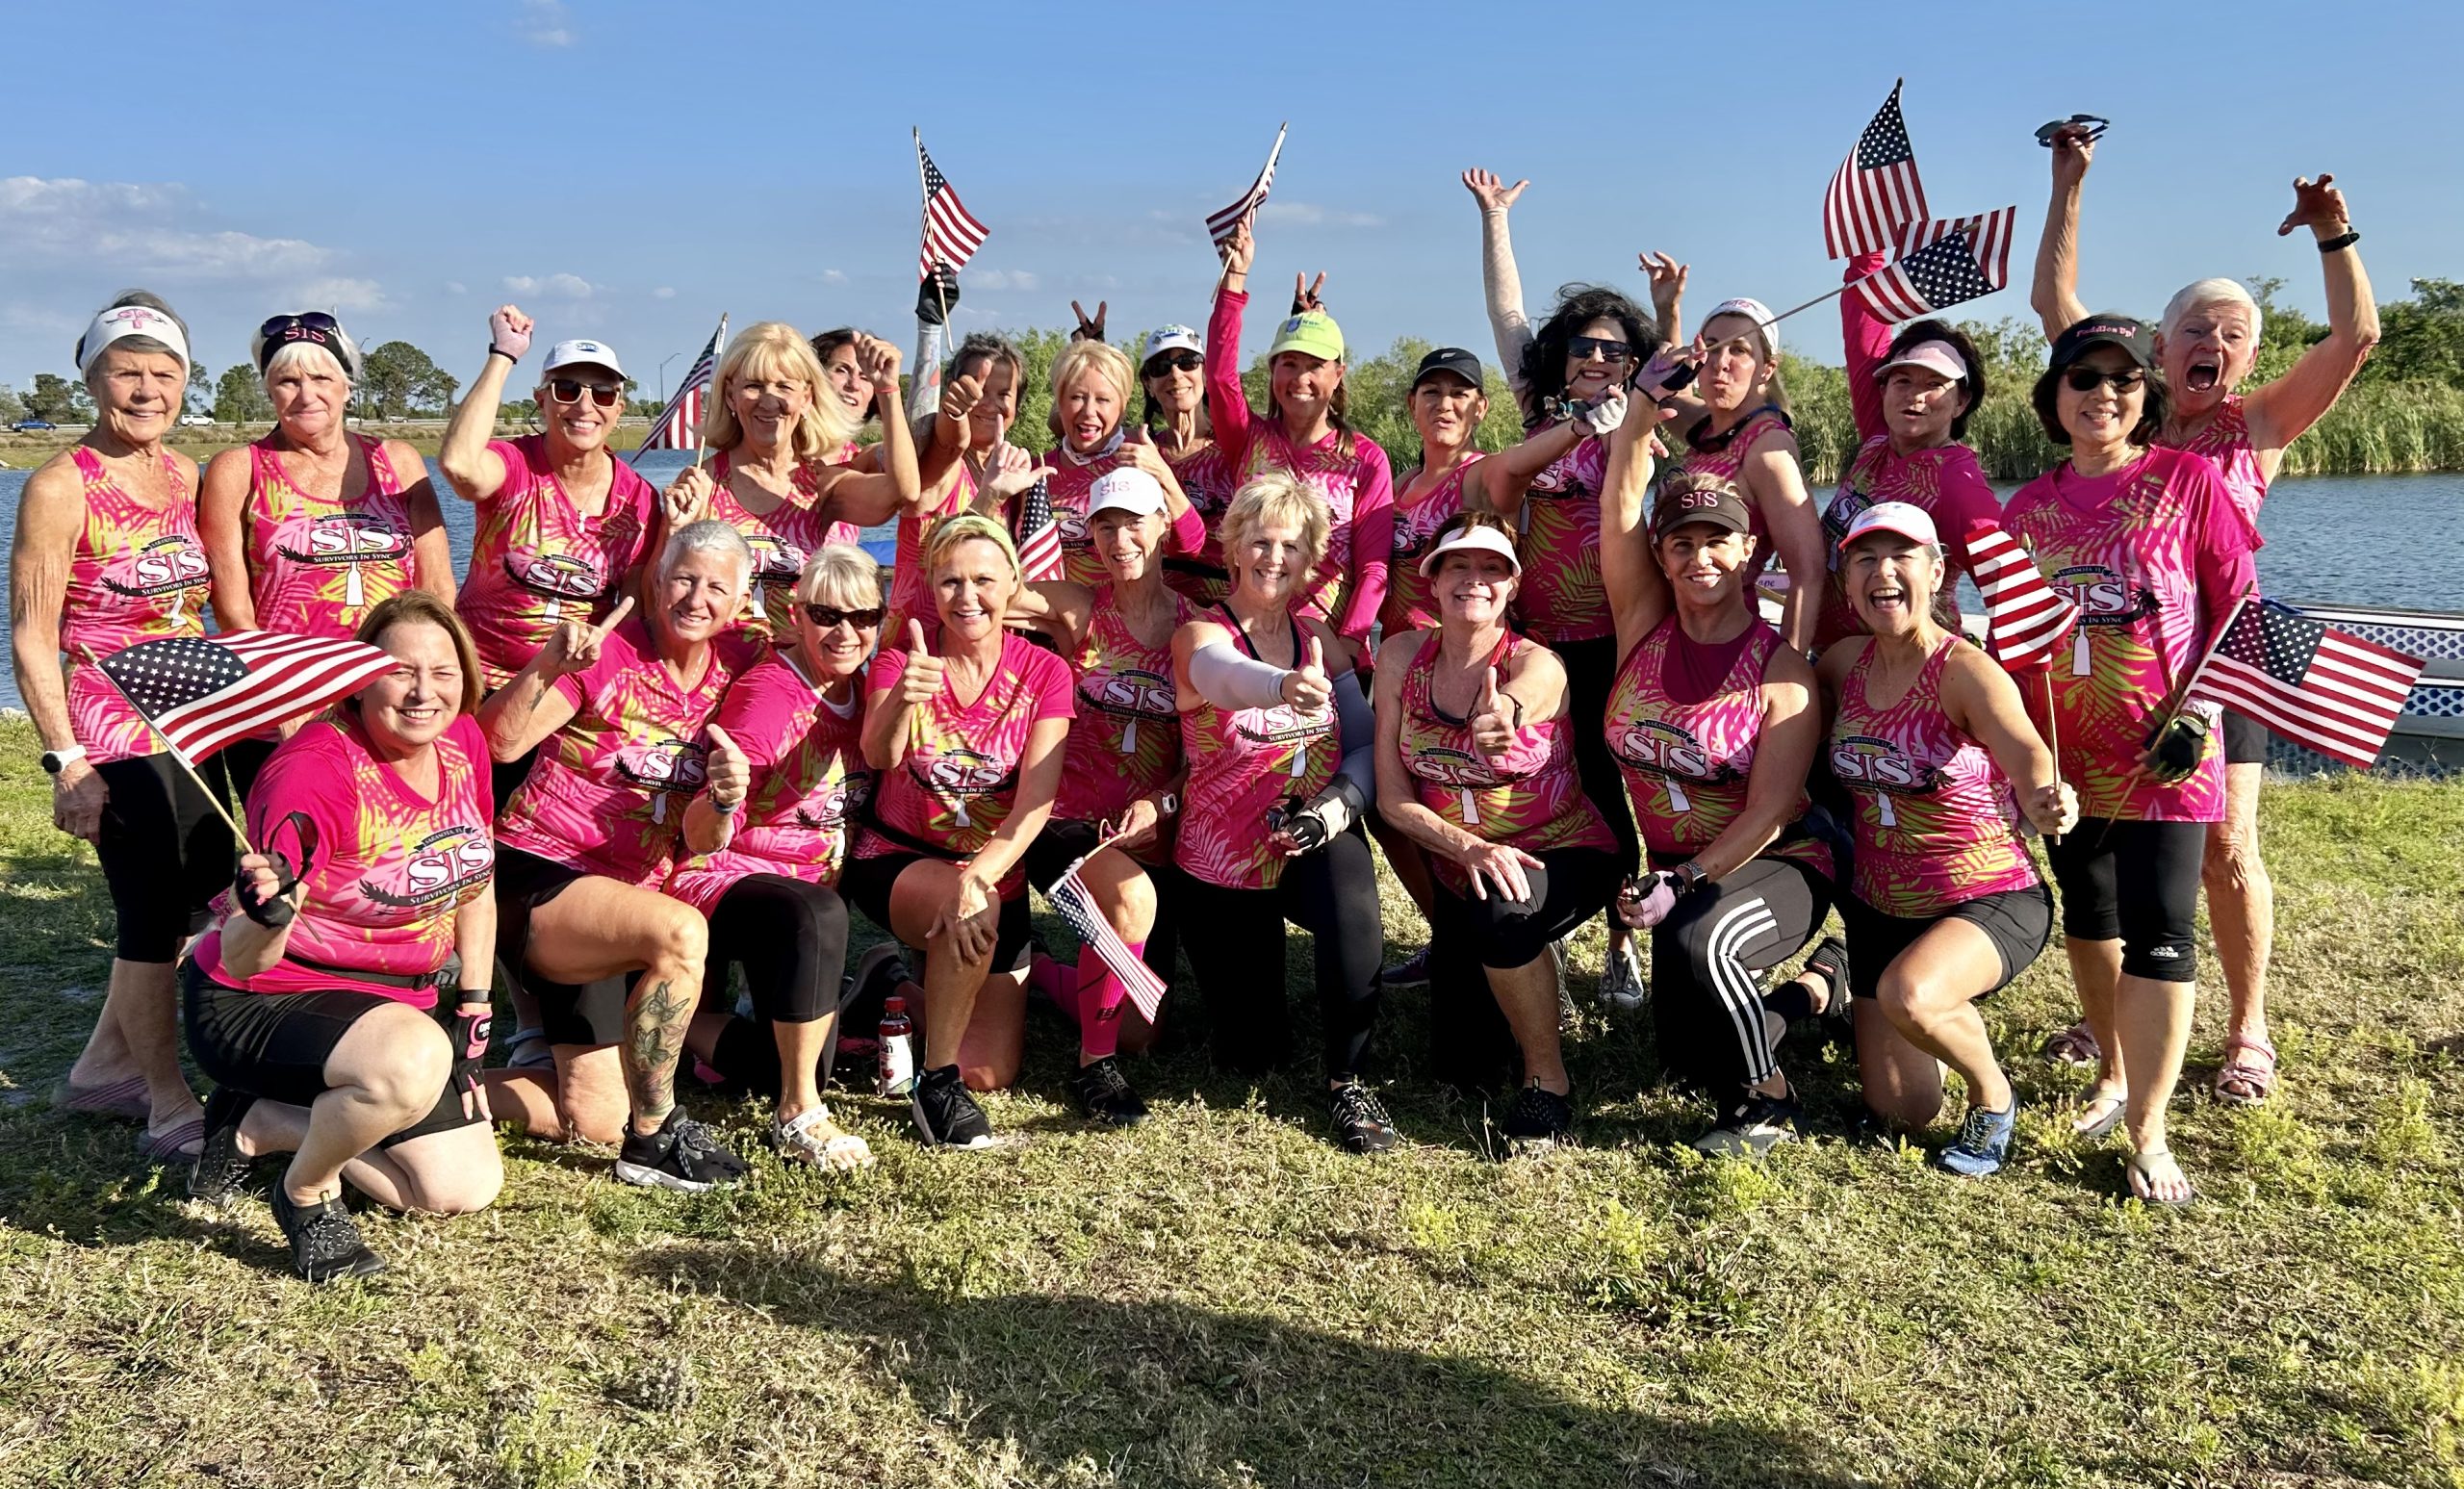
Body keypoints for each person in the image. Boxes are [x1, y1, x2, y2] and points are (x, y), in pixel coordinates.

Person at [2032, 135, 2380, 1109]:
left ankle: (2246, 1029)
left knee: (2226, 843)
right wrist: (2066, 186)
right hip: (2111, 660)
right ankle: (2117, 1011)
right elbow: (2054, 307)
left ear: (2251, 357)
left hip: (2225, 658)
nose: (2214, 348)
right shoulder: (2123, 409)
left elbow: (2353, 340)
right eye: (2198, 330)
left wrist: (2333, 234)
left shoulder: (2257, 423)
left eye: (2233, 336)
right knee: (2100, 835)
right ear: (2158, 343)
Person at [2004, 315, 2259, 1205]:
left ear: (2145, 396)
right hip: (2065, 759)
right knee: (2091, 913)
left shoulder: (2187, 481)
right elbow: (2010, 643)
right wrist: (2022, 757)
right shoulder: (2025, 510)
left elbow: (2240, 607)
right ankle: (2113, 1071)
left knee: (2161, 932)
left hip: (2168, 757)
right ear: (2055, 397)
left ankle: (2150, 1129)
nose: (2102, 393)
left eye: (2122, 379)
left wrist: (2200, 709)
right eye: (2083, 377)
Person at [181, 594, 502, 1280]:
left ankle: (261, 1122)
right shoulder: (313, 773)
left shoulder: (462, 739)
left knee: (458, 1189)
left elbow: (477, 878)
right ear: (360, 677)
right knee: (410, 1061)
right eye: (400, 671)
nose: (425, 692)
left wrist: (473, 1006)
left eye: (444, 672)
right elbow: (243, 955)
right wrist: (265, 914)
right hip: (261, 996)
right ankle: (302, 1194)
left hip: (391, 1006)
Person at [477, 519, 763, 1190]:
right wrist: (547, 664)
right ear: (657, 582)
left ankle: (424, 1092)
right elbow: (499, 745)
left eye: (716, 586)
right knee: (681, 931)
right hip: (541, 872)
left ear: (741, 600)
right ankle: (656, 1137)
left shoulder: (739, 670)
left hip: (621, 897)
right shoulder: (610, 650)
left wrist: (724, 801)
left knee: (594, 1115)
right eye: (684, 578)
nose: (697, 597)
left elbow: (700, 839)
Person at [1464, 171, 1683, 1008]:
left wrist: (1664, 317)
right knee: (1564, 784)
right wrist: (1495, 220)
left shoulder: (1644, 418)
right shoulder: (1538, 414)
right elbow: (1507, 316)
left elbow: (1674, 372)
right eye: (1583, 348)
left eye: (1612, 351)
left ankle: (1630, 938)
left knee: (1633, 785)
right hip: (1545, 642)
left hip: (1626, 642)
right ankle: (1542, 920)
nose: (1596, 360)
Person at [12, 291, 221, 1159]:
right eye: (126, 372)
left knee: (201, 900)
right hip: (112, 723)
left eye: (163, 374)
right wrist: (67, 761)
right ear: (93, 378)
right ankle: (166, 1098)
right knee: (148, 914)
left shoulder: (185, 474)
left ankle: (102, 1067)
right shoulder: (61, 486)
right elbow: (31, 632)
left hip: (192, 717)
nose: (145, 390)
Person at [1598, 419, 1840, 1158]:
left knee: (1709, 941)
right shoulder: (1641, 624)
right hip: (1681, 876)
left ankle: (1767, 1099)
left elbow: (1769, 812)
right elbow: (1617, 507)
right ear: (1661, 558)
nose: (1699, 557)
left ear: (1747, 553)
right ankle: (1824, 982)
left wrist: (1684, 878)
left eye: (1717, 541)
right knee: (1682, 1054)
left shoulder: (1782, 671)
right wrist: (1637, 419)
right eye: (1681, 543)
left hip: (1779, 861)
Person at [1817, 503, 2077, 1175]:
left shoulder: (1965, 670)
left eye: (1903, 556)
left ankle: (1993, 1095)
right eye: (1865, 559)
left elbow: (2028, 754)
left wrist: (2047, 798)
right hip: (1879, 906)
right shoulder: (1842, 664)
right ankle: (1837, 974)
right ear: (1847, 583)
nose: (1884, 572)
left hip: (1986, 896)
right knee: (1902, 1110)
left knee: (1913, 994)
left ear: (1936, 572)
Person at [1373, 516, 1619, 1144]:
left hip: (1563, 850)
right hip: (1469, 864)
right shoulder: (1402, 656)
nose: (1473, 580)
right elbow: (1394, 799)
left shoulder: (1540, 664)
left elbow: (1536, 692)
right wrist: (1469, 845)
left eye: (1491, 568)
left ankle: (1549, 1084)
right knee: (1465, 1068)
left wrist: (1504, 710)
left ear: (1512, 584)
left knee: (1507, 912)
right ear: (1431, 579)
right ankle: (1528, 974)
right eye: (1458, 565)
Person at [1172, 473, 1395, 1154]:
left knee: (1350, 885)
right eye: (1262, 541)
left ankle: (1347, 1077)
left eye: (1292, 546)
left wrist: (1332, 811)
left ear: (1310, 560)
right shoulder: (1200, 632)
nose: (1275, 557)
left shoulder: (1320, 638)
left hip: (1305, 832)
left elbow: (1360, 745)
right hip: (1221, 858)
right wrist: (1281, 686)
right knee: (1250, 1056)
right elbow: (1220, 676)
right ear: (1233, 546)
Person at [849, 515, 1075, 1149]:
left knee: (993, 1070)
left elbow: (1036, 800)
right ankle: (935, 1083)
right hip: (897, 856)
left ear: (1012, 583)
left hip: (988, 869)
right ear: (930, 586)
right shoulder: (903, 660)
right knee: (962, 909)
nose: (967, 597)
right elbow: (879, 754)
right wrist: (902, 699)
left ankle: (891, 987)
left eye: (982, 580)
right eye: (950, 581)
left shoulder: (1044, 672)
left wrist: (978, 874)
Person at [664, 545, 886, 1168]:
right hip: (727, 879)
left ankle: (676, 1033)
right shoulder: (770, 694)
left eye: (863, 617)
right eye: (827, 615)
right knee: (817, 914)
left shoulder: (867, 691)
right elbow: (702, 831)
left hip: (801, 900)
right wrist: (725, 796)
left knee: (783, 1061)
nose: (846, 632)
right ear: (797, 613)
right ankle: (798, 1115)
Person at [201, 310, 453, 803]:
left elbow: (438, 589)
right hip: (284, 700)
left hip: (394, 696)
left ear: (346, 385)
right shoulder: (239, 469)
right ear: (268, 389)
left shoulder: (398, 461)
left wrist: (429, 681)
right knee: (295, 858)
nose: (306, 394)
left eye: (320, 377)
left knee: (391, 848)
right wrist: (283, 700)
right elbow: (233, 611)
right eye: (287, 380)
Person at [1008, 468, 1195, 1124]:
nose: (1120, 537)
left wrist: (1162, 804)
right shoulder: (1078, 608)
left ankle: (1041, 974)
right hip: (1067, 824)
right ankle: (1093, 1068)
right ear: (1088, 533)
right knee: (1127, 903)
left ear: (1162, 523)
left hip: (1152, 834)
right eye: (1105, 524)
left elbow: (1209, 755)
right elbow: (973, 585)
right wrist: (982, 496)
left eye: (1133, 521)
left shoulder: (1195, 628)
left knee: (1144, 1032)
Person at [437, 308, 663, 805]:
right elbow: (458, 465)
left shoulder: (641, 500)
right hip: (477, 684)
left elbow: (634, 609)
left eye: (602, 393)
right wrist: (503, 356)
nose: (585, 405)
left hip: (561, 699)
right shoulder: (516, 466)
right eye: (567, 390)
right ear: (542, 400)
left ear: (619, 407)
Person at [1205, 217, 1395, 667]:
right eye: (1288, 364)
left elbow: (1373, 568)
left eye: (1315, 365)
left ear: (1338, 374)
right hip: (1247, 643)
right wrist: (1236, 278)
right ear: (1271, 372)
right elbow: (1218, 376)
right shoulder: (1247, 439)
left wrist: (1349, 643)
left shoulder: (1365, 459)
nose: (1300, 379)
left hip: (1328, 652)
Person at [660, 321, 916, 634]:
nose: (769, 402)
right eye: (754, 385)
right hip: (721, 671)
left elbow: (901, 491)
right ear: (730, 396)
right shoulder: (702, 486)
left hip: (798, 673)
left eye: (784, 387)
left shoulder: (821, 484)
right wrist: (673, 531)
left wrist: (888, 391)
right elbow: (658, 600)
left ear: (806, 398)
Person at [1815, 270, 2006, 650]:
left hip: (1910, 674)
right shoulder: (1879, 441)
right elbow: (1862, 329)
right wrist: (1867, 257)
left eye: (1934, 385)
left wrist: (1989, 681)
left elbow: (2009, 587)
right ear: (1883, 389)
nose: (1914, 397)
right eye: (1902, 381)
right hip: (1836, 664)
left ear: (1962, 402)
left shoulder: (1956, 482)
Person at [1651, 292, 1829, 653]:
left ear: (1766, 368)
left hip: (1725, 640)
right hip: (1674, 629)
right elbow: (1667, 393)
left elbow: (1807, 572)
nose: (1721, 363)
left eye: (1739, 351)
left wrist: (1788, 672)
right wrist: (1667, 309)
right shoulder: (1709, 426)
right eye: (1712, 348)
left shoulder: (1766, 448)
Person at [891, 332, 1047, 631]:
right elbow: (946, 439)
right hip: (919, 644)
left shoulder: (1019, 473)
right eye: (978, 389)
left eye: (1003, 394)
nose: (988, 404)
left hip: (987, 651)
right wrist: (954, 410)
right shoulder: (937, 461)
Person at [1040, 337, 1209, 589]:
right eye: (1077, 397)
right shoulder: (1035, 471)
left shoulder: (1142, 458)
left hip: (1126, 618)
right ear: (1059, 402)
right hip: (1054, 618)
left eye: (1103, 400)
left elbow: (1191, 546)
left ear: (1123, 404)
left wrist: (1164, 477)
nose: (1088, 412)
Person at [1138, 324, 1245, 605]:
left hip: (1231, 604)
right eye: (1161, 366)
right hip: (1161, 604)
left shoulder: (1236, 447)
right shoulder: (1142, 450)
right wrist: (1090, 344)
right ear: (1148, 383)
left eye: (1187, 362)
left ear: (1205, 373)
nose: (1175, 374)